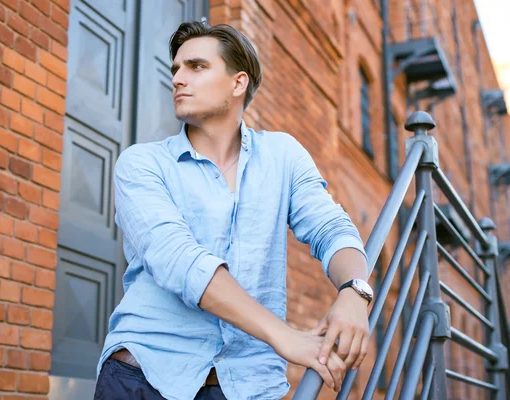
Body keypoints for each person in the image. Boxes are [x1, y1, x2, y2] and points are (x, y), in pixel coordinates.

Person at [94, 21, 373, 400]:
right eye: (175, 69)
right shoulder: (140, 164)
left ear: (238, 82)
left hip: (248, 386)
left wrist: (355, 292)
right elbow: (180, 260)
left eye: (196, 67)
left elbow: (331, 228)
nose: (178, 78)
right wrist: (285, 337)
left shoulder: (283, 156)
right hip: (144, 378)